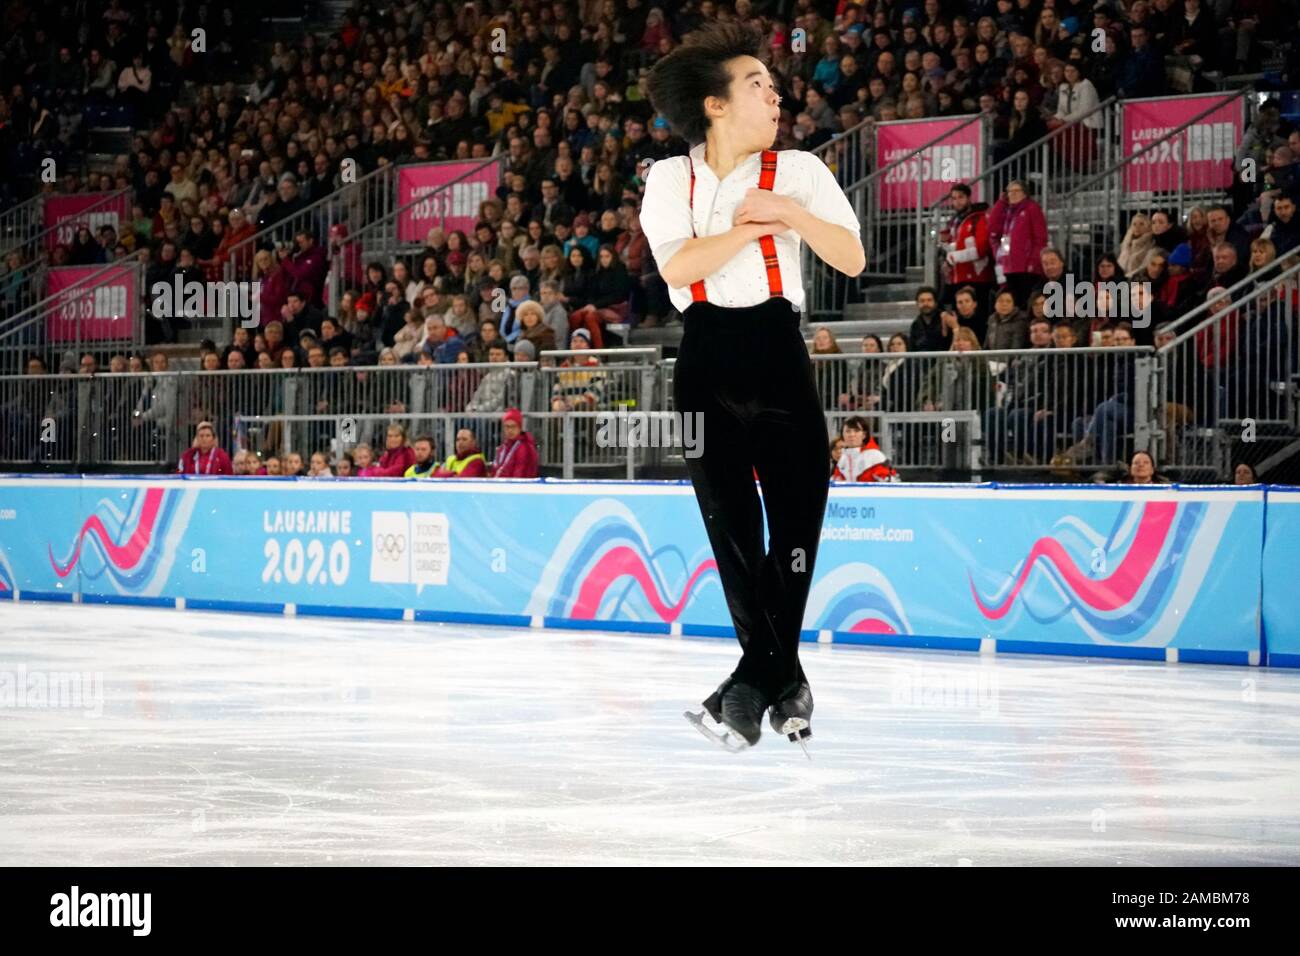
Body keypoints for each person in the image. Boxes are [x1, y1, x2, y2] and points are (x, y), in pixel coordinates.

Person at [643, 22, 865, 750]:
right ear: (715, 104)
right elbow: (679, 269)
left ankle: (751, 684)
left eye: (775, 85)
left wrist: (788, 214)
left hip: (778, 351)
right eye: (758, 85)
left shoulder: (796, 170)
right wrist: (747, 232)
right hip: (704, 362)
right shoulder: (668, 179)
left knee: (797, 524)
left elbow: (852, 257)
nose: (777, 95)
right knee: (733, 532)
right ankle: (785, 682)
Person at [833, 416, 899, 482]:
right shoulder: (842, 459)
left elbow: (891, 483)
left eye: (856, 431)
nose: (852, 434)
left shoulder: (875, 456)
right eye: (848, 431)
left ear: (864, 435)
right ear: (842, 435)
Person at [491, 408, 539, 478]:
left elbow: (520, 476)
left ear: (520, 428)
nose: (510, 430)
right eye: (507, 427)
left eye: (513, 426)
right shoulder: (503, 447)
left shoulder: (525, 448)